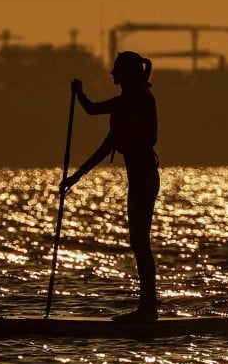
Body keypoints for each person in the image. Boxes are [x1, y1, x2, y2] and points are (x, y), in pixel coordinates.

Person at [60, 51, 160, 322]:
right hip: (138, 180)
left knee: (140, 242)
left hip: (145, 178)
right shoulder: (123, 110)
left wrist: (80, 94)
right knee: (137, 242)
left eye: (117, 69)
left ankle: (148, 309)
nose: (112, 74)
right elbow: (105, 149)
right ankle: (147, 307)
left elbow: (92, 109)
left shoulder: (138, 100)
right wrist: (75, 178)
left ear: (129, 73)